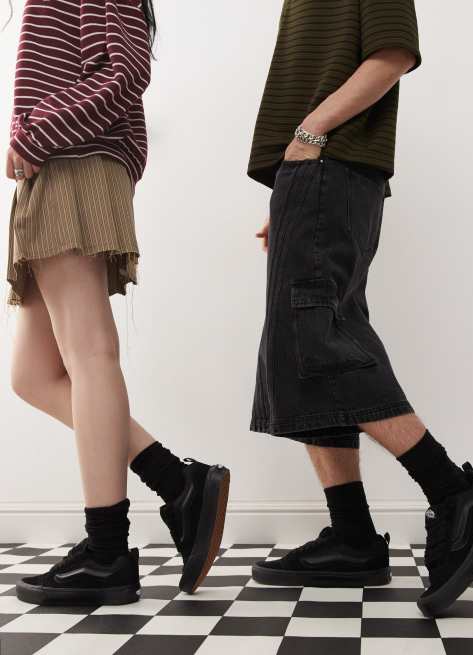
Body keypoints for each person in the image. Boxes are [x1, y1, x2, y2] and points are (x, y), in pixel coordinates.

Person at [247, 0, 473, 616]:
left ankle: (454, 492)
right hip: (310, 176)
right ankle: (353, 536)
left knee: (319, 339)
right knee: (302, 348)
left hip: (327, 163)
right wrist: (291, 188)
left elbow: (392, 54)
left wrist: (309, 138)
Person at [5, 0, 229, 605]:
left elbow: (126, 68)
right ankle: (177, 482)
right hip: (57, 167)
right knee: (33, 375)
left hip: (72, 162)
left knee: (90, 355)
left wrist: (36, 132)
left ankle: (107, 549)